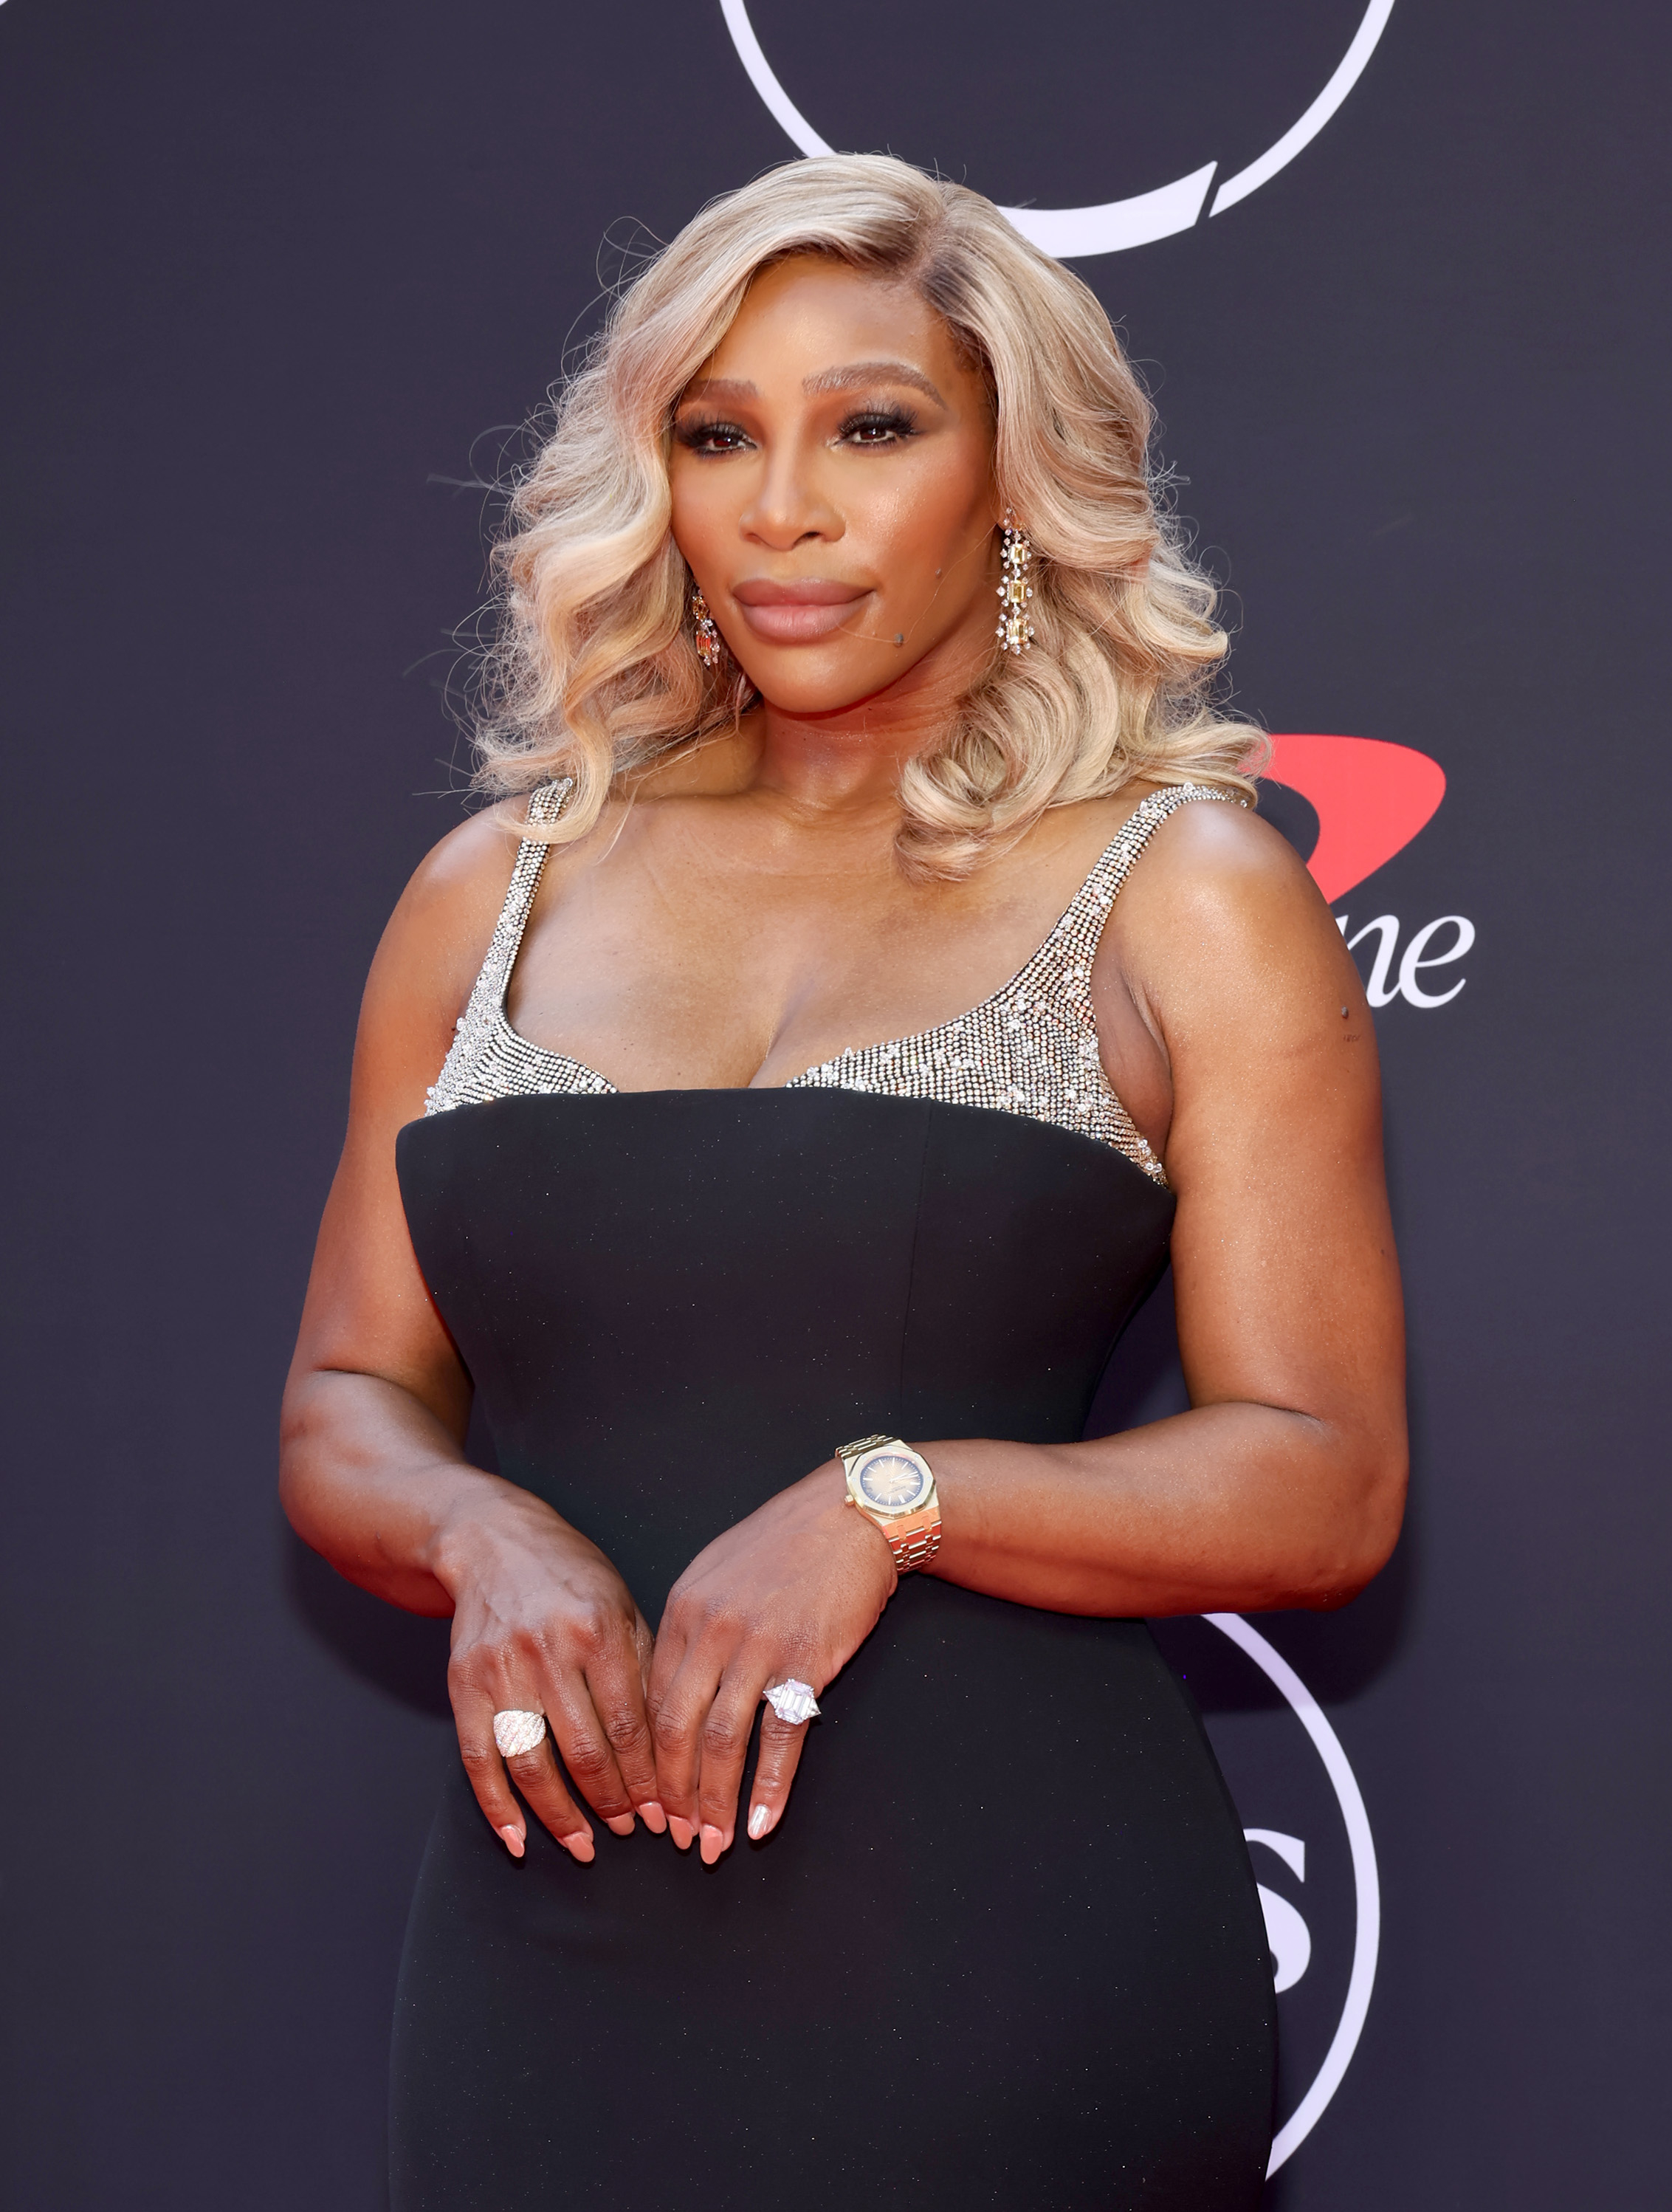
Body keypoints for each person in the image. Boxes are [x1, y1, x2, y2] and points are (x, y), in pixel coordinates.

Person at [280, 154, 1406, 2211]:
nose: (779, 504)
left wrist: (899, 1494)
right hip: (552, 1966)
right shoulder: (485, 893)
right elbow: (344, 1400)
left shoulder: (1181, 891)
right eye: (717, 434)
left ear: (1006, 471)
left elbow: (1324, 1477)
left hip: (1006, 1953)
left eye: (869, 426)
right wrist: (476, 1534)